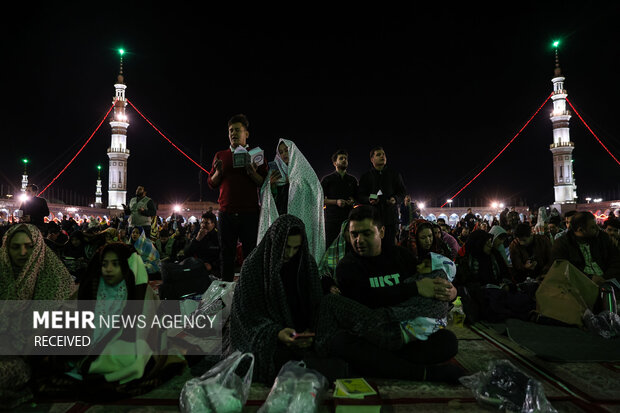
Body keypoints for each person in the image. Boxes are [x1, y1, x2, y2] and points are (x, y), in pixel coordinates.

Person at [318, 206, 462, 383]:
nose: (359, 240)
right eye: (354, 234)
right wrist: (415, 288)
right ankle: (421, 373)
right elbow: (366, 300)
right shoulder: (347, 267)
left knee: (447, 342)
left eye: (366, 233)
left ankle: (380, 365)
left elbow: (429, 284)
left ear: (382, 232)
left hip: (404, 330)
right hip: (370, 332)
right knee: (341, 342)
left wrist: (450, 292)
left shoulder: (401, 257)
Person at [229, 215, 324, 383]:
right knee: (255, 361)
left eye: (295, 248)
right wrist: (276, 333)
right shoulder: (253, 267)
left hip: (301, 337)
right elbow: (245, 316)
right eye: (286, 247)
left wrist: (310, 331)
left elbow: (315, 305)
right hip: (271, 340)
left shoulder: (306, 264)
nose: (289, 253)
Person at [207, 114, 268, 281]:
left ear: (246, 134)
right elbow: (211, 183)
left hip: (250, 213)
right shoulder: (221, 155)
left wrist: (252, 172)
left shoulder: (256, 154)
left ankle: (250, 286)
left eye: (237, 130)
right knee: (226, 254)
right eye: (230, 130)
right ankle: (225, 288)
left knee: (250, 253)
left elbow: (264, 183)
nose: (233, 133)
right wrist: (218, 172)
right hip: (226, 212)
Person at [258, 138, 326, 263]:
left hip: (300, 219)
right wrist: (272, 186)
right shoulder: (275, 172)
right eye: (281, 152)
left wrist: (294, 184)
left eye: (286, 150)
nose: (284, 154)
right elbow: (266, 198)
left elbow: (315, 191)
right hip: (281, 217)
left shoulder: (303, 171)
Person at [551, 211, 620, 285]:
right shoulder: (562, 243)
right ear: (580, 230)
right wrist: (589, 278)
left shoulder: (603, 238)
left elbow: (616, 261)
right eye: (593, 227)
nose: (598, 228)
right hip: (579, 286)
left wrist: (604, 278)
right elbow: (563, 269)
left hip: (607, 281)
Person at [358, 147, 406, 246]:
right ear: (372, 159)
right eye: (378, 154)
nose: (382, 156)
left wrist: (395, 199)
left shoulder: (394, 175)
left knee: (390, 248)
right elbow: (360, 195)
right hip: (372, 219)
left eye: (383, 154)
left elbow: (402, 192)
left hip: (390, 220)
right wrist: (369, 199)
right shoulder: (366, 177)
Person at [321, 149, 358, 247]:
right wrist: (336, 202)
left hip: (349, 220)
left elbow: (357, 198)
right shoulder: (327, 180)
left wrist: (353, 201)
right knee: (331, 247)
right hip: (331, 221)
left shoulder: (352, 180)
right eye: (341, 158)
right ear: (334, 163)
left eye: (345, 158)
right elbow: (320, 200)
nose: (344, 160)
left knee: (349, 247)